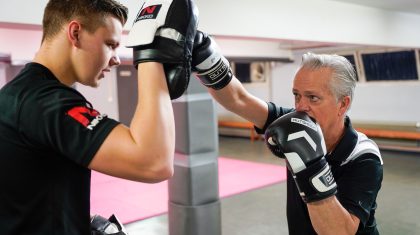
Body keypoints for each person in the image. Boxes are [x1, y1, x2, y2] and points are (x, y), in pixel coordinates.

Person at [0, 0, 198, 234]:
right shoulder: (44, 102)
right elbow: (154, 163)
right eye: (111, 44)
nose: (116, 59)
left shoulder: (18, 94)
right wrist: (151, 57)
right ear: (75, 33)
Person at [191, 31, 383, 234]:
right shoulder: (295, 122)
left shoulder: (363, 156)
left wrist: (311, 166)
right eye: (297, 95)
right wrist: (205, 57)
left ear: (342, 104)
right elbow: (238, 99)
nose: (301, 106)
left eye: (313, 98)